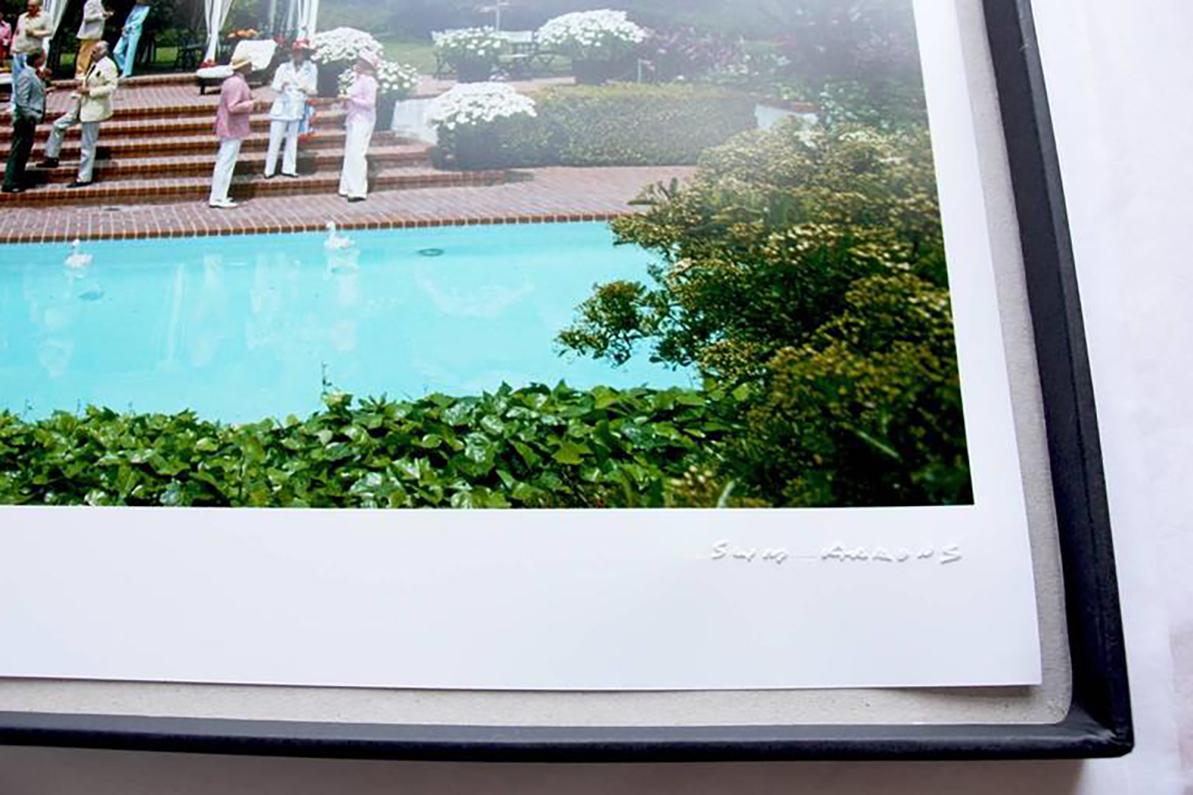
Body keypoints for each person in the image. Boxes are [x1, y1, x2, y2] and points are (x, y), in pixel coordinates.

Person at [38, 40, 118, 188]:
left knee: (88, 144)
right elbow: (91, 79)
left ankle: (84, 177)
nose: (92, 53)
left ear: (103, 52)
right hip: (82, 105)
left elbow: (111, 87)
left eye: (95, 51)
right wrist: (83, 85)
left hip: (93, 109)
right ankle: (52, 156)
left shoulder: (109, 66)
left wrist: (90, 91)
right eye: (92, 51)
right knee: (58, 125)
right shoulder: (95, 63)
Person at [264, 39, 317, 179]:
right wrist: (281, 86)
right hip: (282, 105)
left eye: (300, 52)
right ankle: (269, 170)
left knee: (292, 139)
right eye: (295, 52)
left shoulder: (311, 68)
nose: (297, 55)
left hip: (297, 106)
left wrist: (305, 89)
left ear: (305, 54)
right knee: (275, 139)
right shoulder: (283, 67)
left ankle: (289, 168)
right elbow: (274, 86)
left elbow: (313, 89)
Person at [209, 55, 255, 209]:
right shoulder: (237, 83)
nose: (251, 67)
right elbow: (233, 106)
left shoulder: (231, 81)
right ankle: (218, 196)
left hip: (229, 127)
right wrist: (251, 104)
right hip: (232, 128)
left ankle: (219, 195)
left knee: (225, 161)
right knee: (226, 162)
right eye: (249, 65)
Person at [3, 49, 48, 194]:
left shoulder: (33, 75)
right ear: (37, 60)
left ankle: (18, 178)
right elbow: (21, 101)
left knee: (24, 150)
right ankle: (10, 181)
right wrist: (32, 115)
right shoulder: (26, 76)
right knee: (18, 150)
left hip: (29, 119)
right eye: (42, 57)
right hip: (24, 119)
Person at [338, 51, 378, 203]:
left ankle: (358, 190)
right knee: (350, 153)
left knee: (358, 153)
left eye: (360, 62)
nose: (356, 64)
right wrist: (346, 101)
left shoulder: (369, 81)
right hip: (353, 119)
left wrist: (350, 99)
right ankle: (347, 186)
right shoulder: (357, 80)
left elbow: (370, 103)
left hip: (364, 120)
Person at [10, 0, 51, 111]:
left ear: (39, 6)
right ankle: (14, 103)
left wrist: (35, 33)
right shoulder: (22, 17)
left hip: (32, 52)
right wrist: (13, 47)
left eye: (32, 6)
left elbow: (49, 31)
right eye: (28, 6)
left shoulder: (45, 17)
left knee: (30, 78)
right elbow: (16, 32)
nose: (29, 8)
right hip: (18, 50)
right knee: (16, 78)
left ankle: (31, 103)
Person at [75, 0, 112, 79]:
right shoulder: (91, 2)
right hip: (89, 34)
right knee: (85, 53)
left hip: (96, 33)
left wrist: (105, 16)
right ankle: (80, 72)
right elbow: (87, 17)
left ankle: (88, 72)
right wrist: (101, 15)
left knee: (93, 54)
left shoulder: (99, 2)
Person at [112, 3, 150, 79]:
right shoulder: (135, 6)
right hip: (126, 30)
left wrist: (128, 27)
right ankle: (124, 67)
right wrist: (124, 27)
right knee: (116, 51)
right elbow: (129, 19)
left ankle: (126, 72)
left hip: (135, 31)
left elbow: (139, 21)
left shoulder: (146, 8)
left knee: (130, 52)